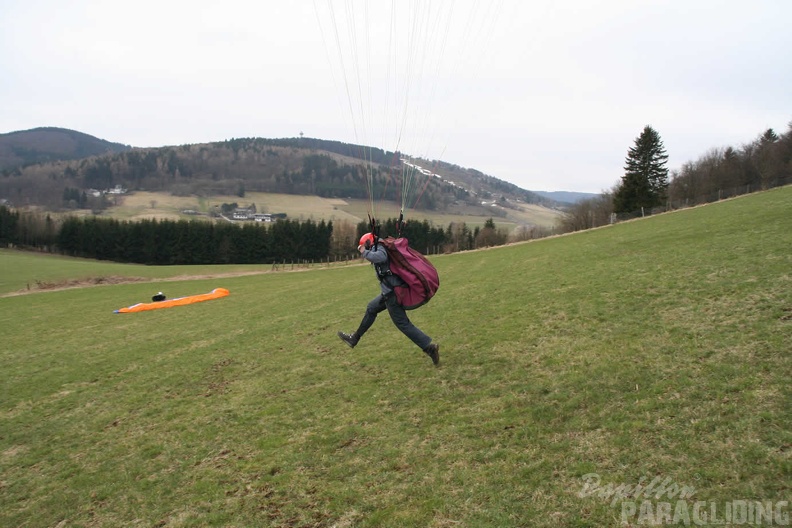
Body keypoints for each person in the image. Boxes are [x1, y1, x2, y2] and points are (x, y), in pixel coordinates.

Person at [338, 232, 440, 366]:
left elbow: (380, 257)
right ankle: (354, 338)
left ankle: (429, 347)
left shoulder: (381, 248)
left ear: (369, 244)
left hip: (393, 295)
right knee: (371, 308)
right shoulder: (380, 245)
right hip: (389, 292)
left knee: (403, 324)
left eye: (366, 247)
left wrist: (364, 252)